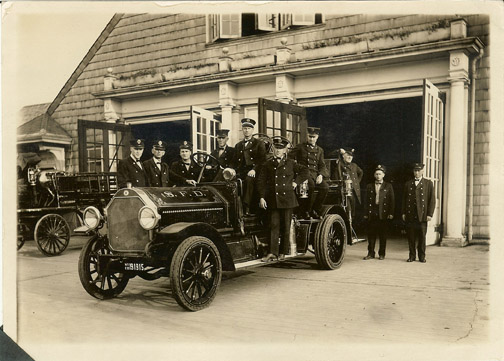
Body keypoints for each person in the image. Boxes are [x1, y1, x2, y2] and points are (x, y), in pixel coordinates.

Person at [257, 137, 309, 262]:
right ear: (273, 149)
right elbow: (261, 181)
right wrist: (262, 197)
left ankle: (283, 252)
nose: (278, 150)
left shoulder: (290, 163)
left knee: (286, 226)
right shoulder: (268, 164)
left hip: (287, 199)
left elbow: (305, 171)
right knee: (273, 226)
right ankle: (272, 253)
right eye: (276, 148)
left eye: (281, 148)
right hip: (273, 199)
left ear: (285, 150)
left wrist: (296, 182)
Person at [290, 126, 329, 219]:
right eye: (310, 137)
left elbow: (322, 165)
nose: (311, 139)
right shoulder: (300, 147)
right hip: (304, 174)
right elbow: (289, 158)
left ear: (317, 137)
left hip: (315, 174)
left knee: (325, 187)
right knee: (310, 186)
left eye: (313, 137)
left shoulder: (320, 150)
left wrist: (320, 175)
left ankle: (315, 209)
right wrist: (296, 168)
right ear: (307, 136)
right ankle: (306, 211)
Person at [402, 163, 435, 263]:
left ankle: (422, 256)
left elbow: (432, 200)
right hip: (410, 213)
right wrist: (403, 212)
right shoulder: (408, 184)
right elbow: (404, 199)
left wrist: (429, 214)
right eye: (415, 171)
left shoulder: (428, 183)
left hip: (422, 214)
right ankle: (412, 256)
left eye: (418, 171)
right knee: (411, 236)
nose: (416, 173)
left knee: (422, 236)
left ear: (422, 171)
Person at [233, 118, 267, 215]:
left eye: (248, 128)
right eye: (244, 128)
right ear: (242, 130)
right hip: (241, 171)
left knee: (249, 180)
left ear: (252, 130)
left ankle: (246, 207)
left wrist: (254, 170)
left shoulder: (258, 143)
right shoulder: (238, 145)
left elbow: (262, 160)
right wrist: (231, 170)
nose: (246, 130)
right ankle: (232, 206)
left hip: (255, 171)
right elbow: (234, 161)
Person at [363, 165, 395, 260]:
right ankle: (370, 253)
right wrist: (365, 213)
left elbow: (392, 201)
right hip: (372, 212)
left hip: (383, 213)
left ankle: (382, 254)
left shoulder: (388, 186)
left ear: (383, 175)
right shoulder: (369, 186)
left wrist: (391, 213)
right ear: (374, 175)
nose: (378, 176)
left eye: (380, 174)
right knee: (371, 234)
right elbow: (365, 201)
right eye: (376, 174)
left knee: (383, 235)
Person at [332, 147, 363, 218]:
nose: (350, 157)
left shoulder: (354, 165)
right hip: (344, 191)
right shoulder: (339, 164)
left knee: (354, 209)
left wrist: (357, 182)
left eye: (351, 156)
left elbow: (361, 172)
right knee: (347, 209)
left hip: (354, 191)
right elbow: (329, 155)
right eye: (348, 155)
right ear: (343, 156)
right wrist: (338, 151)